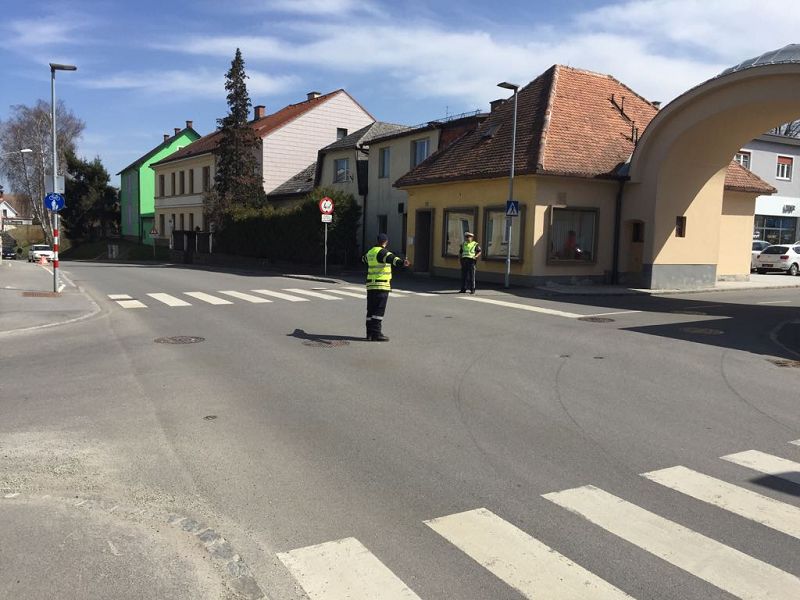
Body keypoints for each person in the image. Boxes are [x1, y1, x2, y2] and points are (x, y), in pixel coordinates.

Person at [363, 233, 410, 342]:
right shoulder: (383, 252)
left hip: (371, 285)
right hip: (381, 285)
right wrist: (403, 262)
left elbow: (363, 260)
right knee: (378, 311)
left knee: (370, 310)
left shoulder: (370, 252)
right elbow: (393, 259)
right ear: (385, 242)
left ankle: (369, 333)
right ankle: (376, 334)